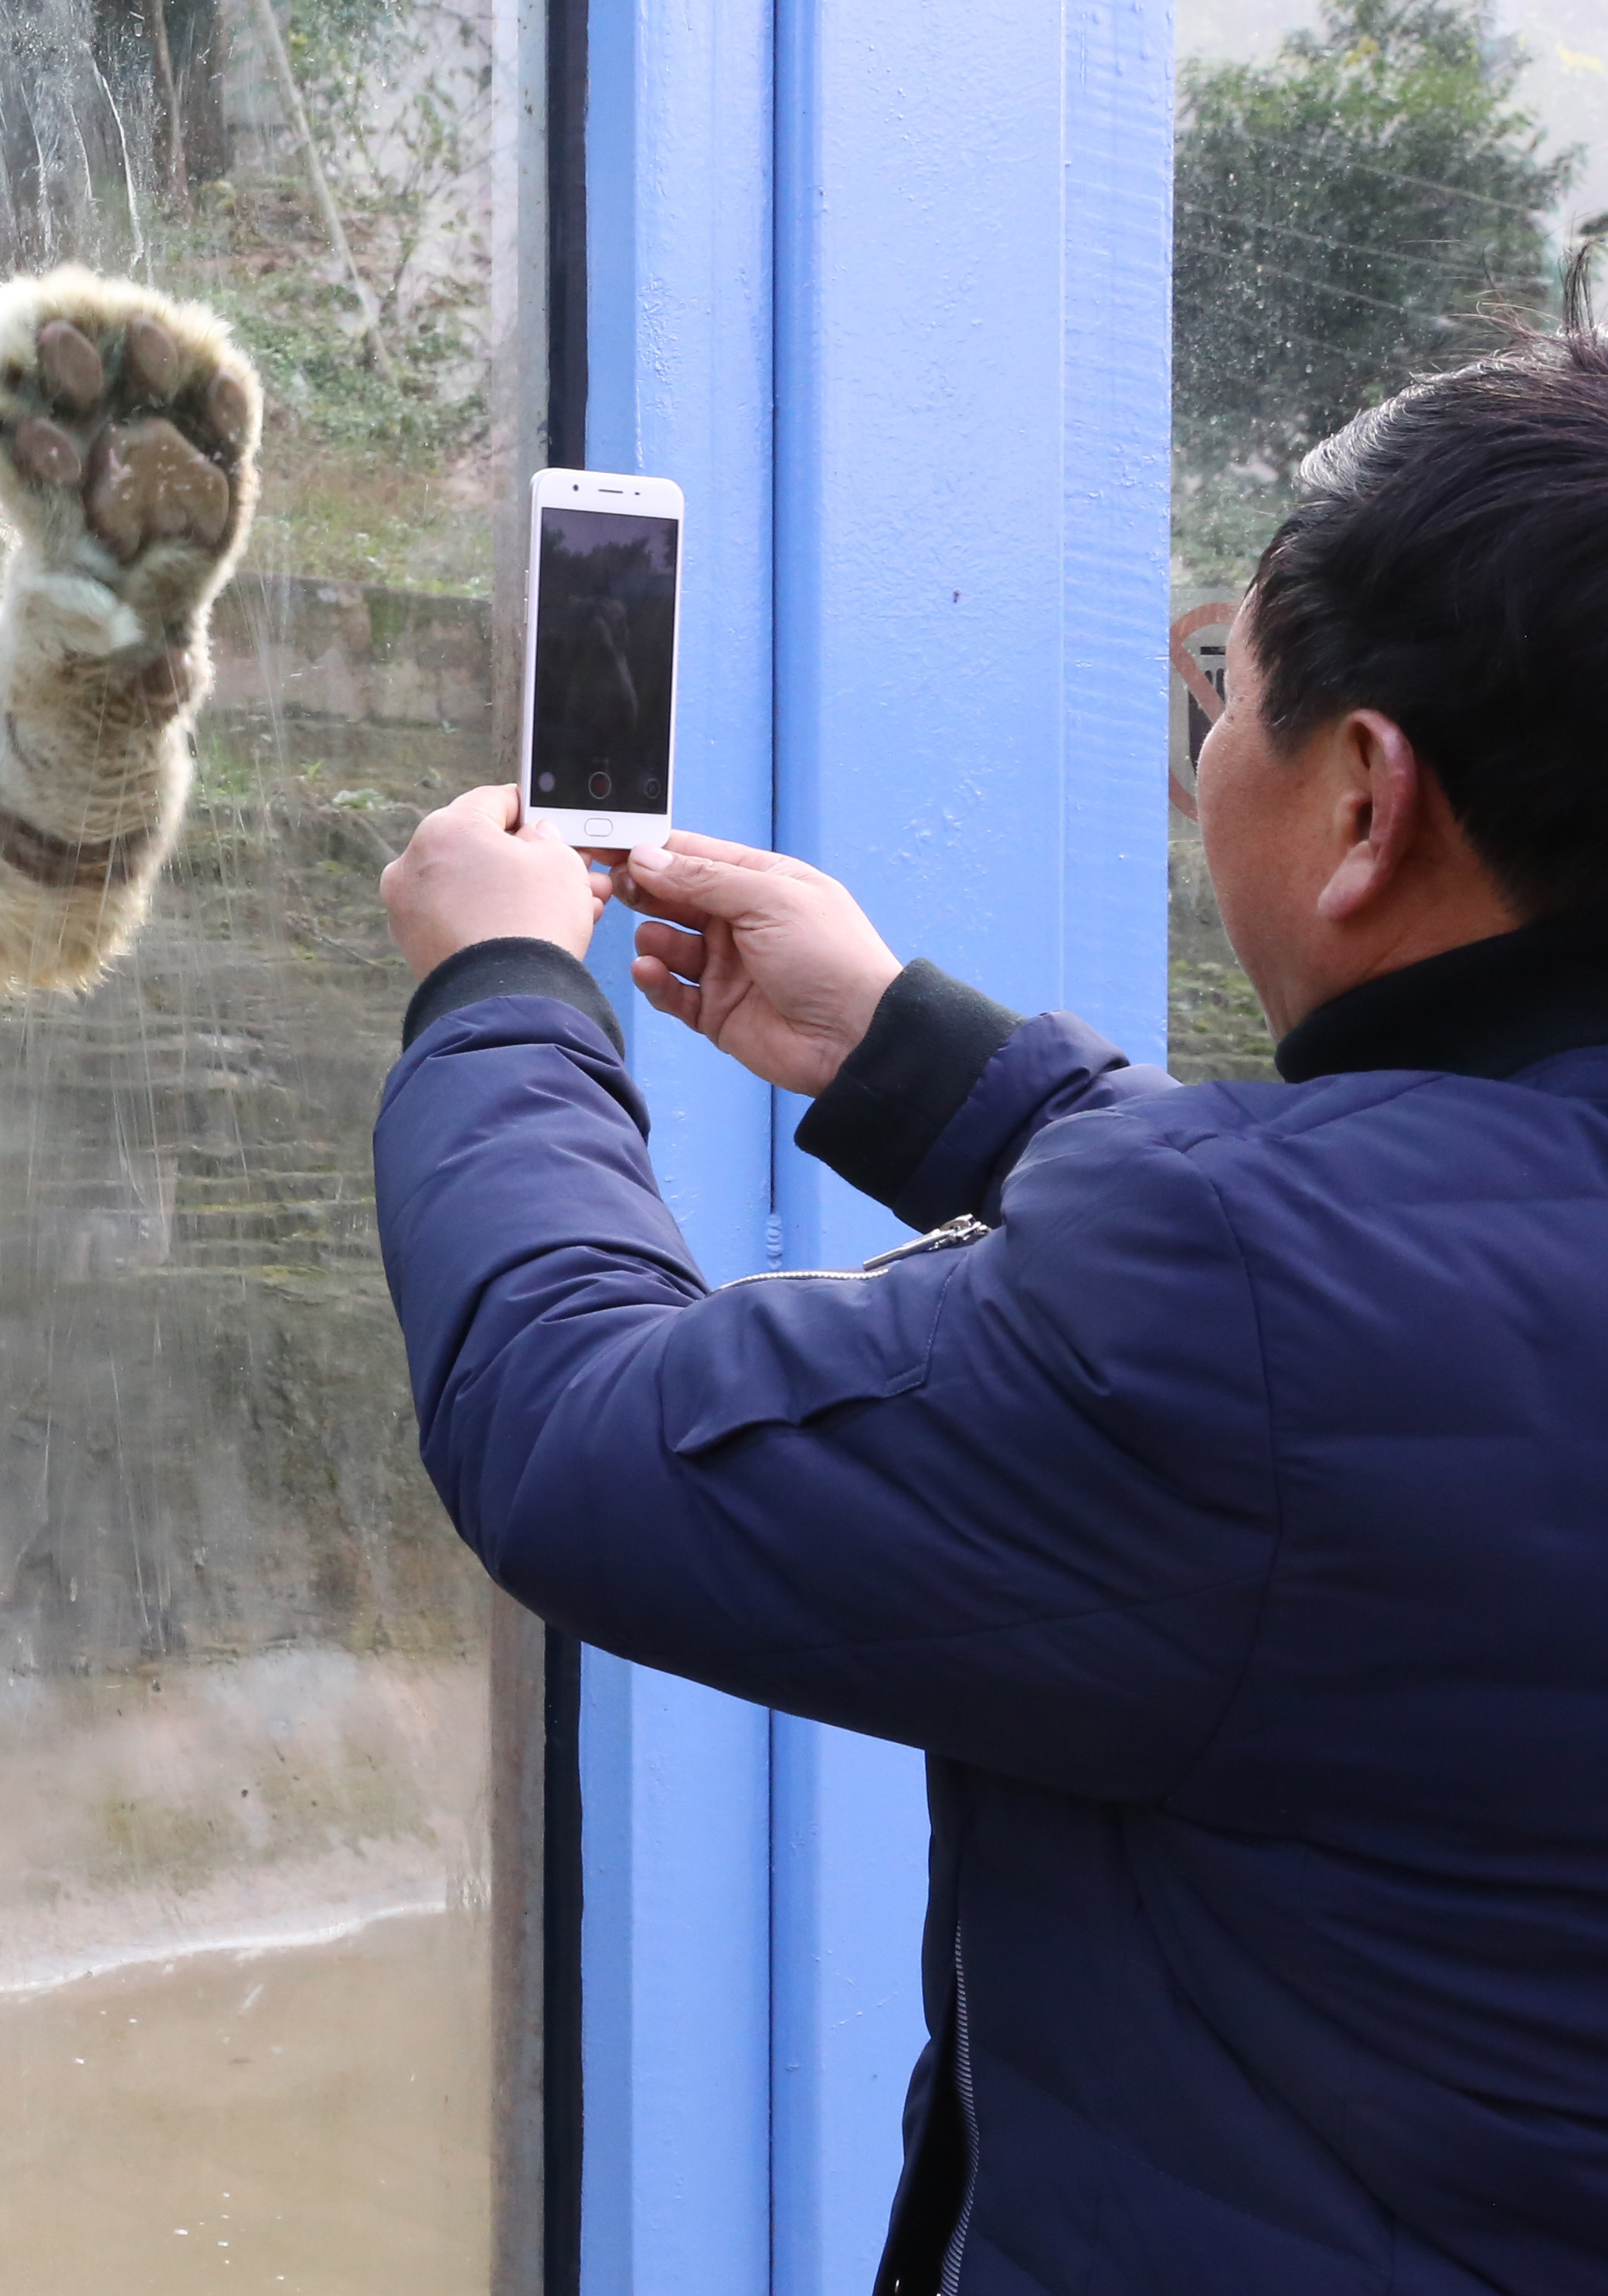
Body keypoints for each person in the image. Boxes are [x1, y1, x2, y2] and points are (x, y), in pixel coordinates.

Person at [372, 332, 1608, 2295]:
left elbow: (575, 1425)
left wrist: (503, 995)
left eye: (1227, 695)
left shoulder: (1251, 1309)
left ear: (1368, 801)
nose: (1207, 751)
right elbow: (1408, 1330)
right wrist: (938, 1069)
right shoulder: (1355, 1294)